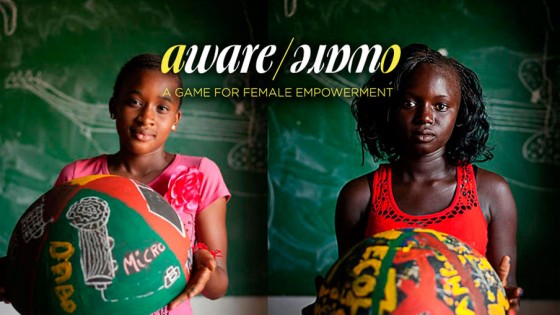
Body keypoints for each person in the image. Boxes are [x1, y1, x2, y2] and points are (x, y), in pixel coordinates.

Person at [0, 54, 231, 315]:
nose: (146, 117)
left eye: (162, 108)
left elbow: (218, 286)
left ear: (176, 119)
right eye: (134, 102)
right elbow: (50, 254)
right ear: (113, 107)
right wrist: (15, 273)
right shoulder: (78, 175)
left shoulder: (201, 173)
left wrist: (200, 264)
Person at [334, 43, 522, 313]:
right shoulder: (359, 196)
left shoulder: (492, 192)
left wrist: (510, 301)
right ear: (388, 110)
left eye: (441, 106)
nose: (425, 117)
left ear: (460, 114)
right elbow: (350, 292)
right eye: (409, 103)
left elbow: (506, 291)